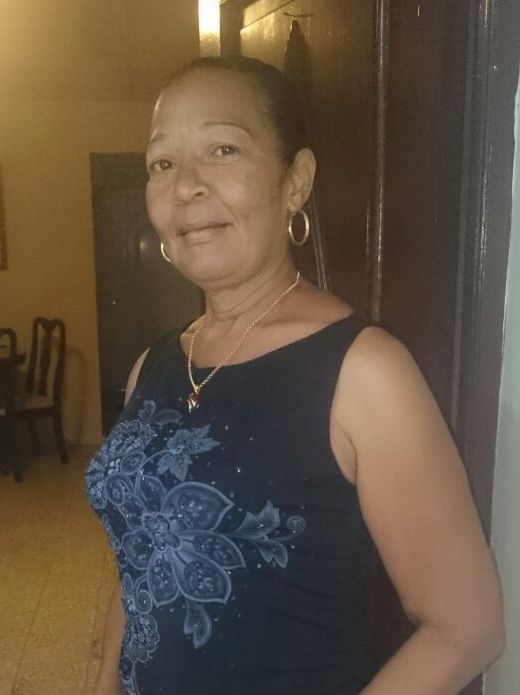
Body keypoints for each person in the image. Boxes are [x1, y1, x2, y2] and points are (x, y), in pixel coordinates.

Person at [86, 56, 504, 695]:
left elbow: (467, 628)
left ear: (295, 180)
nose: (185, 185)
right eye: (162, 162)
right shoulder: (154, 365)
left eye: (223, 149)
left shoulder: (363, 372)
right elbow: (140, 560)